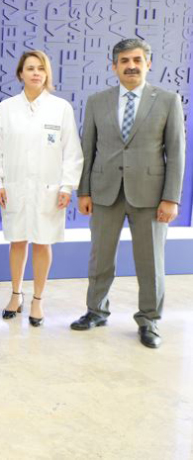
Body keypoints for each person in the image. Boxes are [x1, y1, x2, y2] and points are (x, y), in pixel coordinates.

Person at [71, 39, 186, 349]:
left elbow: (176, 153)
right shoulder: (97, 101)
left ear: (148, 64)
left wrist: (171, 198)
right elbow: (88, 149)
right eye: (124, 61)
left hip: (151, 196)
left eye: (137, 60)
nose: (131, 66)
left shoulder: (168, 100)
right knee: (100, 257)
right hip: (104, 191)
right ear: (114, 66)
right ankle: (96, 311)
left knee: (151, 262)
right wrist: (84, 191)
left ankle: (149, 320)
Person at [0, 50, 83, 326]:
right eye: (30, 68)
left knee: (42, 241)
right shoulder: (6, 108)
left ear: (47, 73)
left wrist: (67, 186)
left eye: (41, 68)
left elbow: (72, 151)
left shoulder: (60, 108)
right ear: (21, 73)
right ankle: (16, 295)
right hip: (15, 187)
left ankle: (38, 300)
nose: (36, 73)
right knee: (17, 240)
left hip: (49, 189)